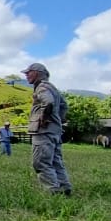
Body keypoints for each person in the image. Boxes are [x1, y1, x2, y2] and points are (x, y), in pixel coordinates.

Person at [24, 63, 72, 195]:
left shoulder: (41, 88)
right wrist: (59, 120)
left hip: (43, 130)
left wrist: (44, 118)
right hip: (55, 130)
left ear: (38, 73)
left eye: (29, 72)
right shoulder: (52, 87)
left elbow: (48, 102)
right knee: (55, 160)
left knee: (41, 162)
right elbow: (64, 105)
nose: (26, 75)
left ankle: (52, 190)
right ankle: (64, 187)